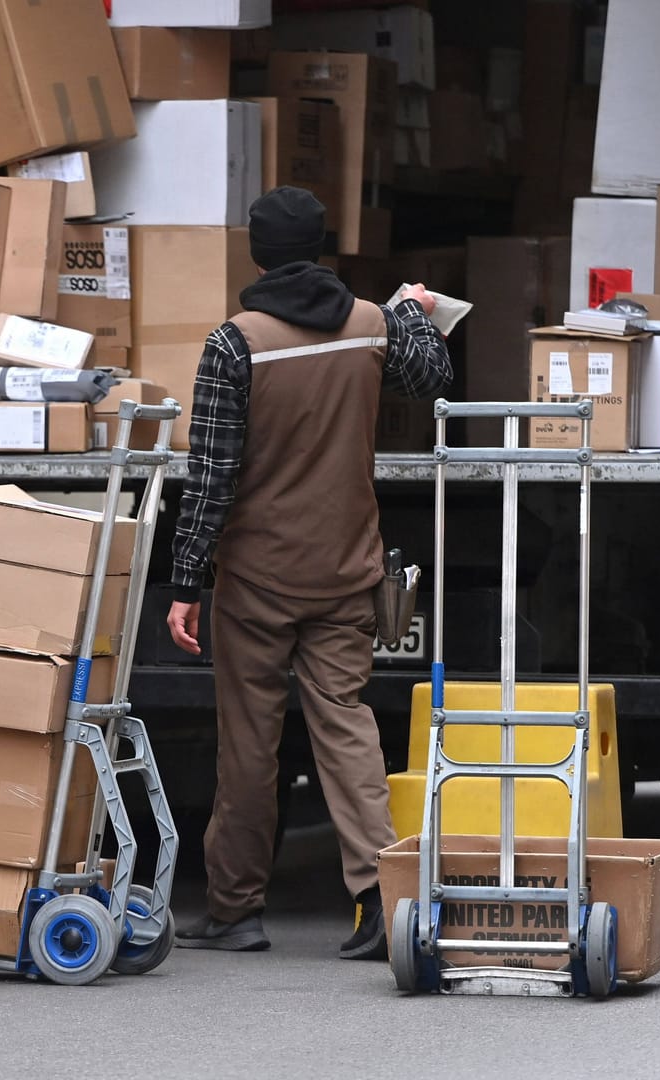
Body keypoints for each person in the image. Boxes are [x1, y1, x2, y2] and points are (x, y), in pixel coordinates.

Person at [166, 187, 453, 959]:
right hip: (346, 568)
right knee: (348, 728)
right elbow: (433, 375)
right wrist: (416, 309)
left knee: (251, 745)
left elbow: (212, 474)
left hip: (258, 579)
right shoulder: (371, 324)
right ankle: (378, 901)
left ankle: (234, 909)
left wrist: (186, 581)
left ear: (256, 253)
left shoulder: (235, 343)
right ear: (324, 245)